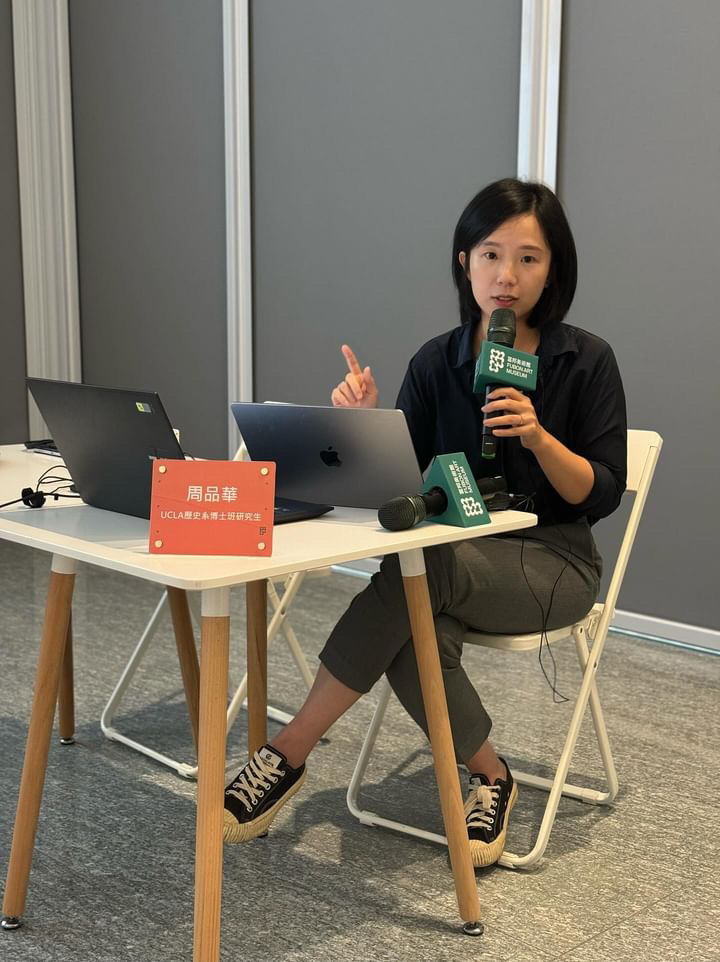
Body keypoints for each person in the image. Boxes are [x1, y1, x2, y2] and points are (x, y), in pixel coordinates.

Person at [222, 177, 627, 867]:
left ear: (554, 267)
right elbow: (401, 484)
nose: (507, 276)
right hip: (449, 557)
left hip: (554, 560)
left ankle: (286, 751)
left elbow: (603, 491)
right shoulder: (436, 362)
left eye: (529, 258)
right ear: (464, 262)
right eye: (491, 254)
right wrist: (365, 421)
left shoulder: (585, 360)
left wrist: (538, 437)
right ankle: (492, 774)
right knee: (415, 613)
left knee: (416, 572)